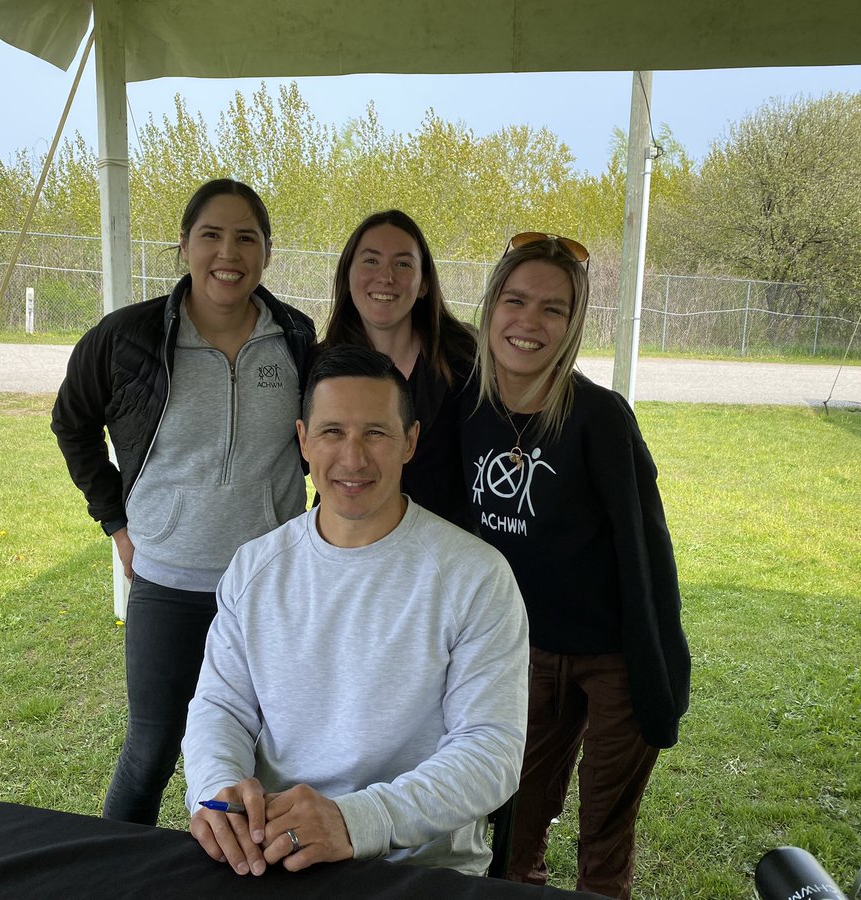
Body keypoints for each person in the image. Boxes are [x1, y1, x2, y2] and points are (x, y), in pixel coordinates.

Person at [182, 345, 529, 877]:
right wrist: (218, 790)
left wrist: (354, 820)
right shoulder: (255, 569)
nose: (352, 458)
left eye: (375, 433)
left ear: (410, 442)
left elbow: (490, 751)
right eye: (332, 432)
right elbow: (220, 708)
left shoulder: (476, 576)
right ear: (302, 440)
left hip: (420, 864)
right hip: (275, 850)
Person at [51, 178, 316, 825]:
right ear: (184, 245)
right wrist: (114, 520)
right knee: (150, 754)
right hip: (168, 583)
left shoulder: (297, 337)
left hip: (268, 587)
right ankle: (115, 877)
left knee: (262, 763)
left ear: (267, 253)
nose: (229, 253)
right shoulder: (128, 337)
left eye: (246, 238)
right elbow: (72, 421)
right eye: (211, 235)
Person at [460, 233, 690, 898]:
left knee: (602, 841)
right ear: (491, 307)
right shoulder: (468, 409)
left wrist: (660, 668)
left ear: (573, 324)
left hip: (611, 658)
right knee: (513, 825)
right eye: (516, 300)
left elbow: (647, 551)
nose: (529, 321)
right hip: (520, 655)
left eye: (553, 309)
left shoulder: (599, 418)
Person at [322, 210, 476, 529]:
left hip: (443, 555)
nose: (386, 276)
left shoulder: (466, 360)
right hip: (347, 547)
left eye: (403, 264)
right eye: (371, 261)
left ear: (423, 285)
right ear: (347, 275)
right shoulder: (318, 366)